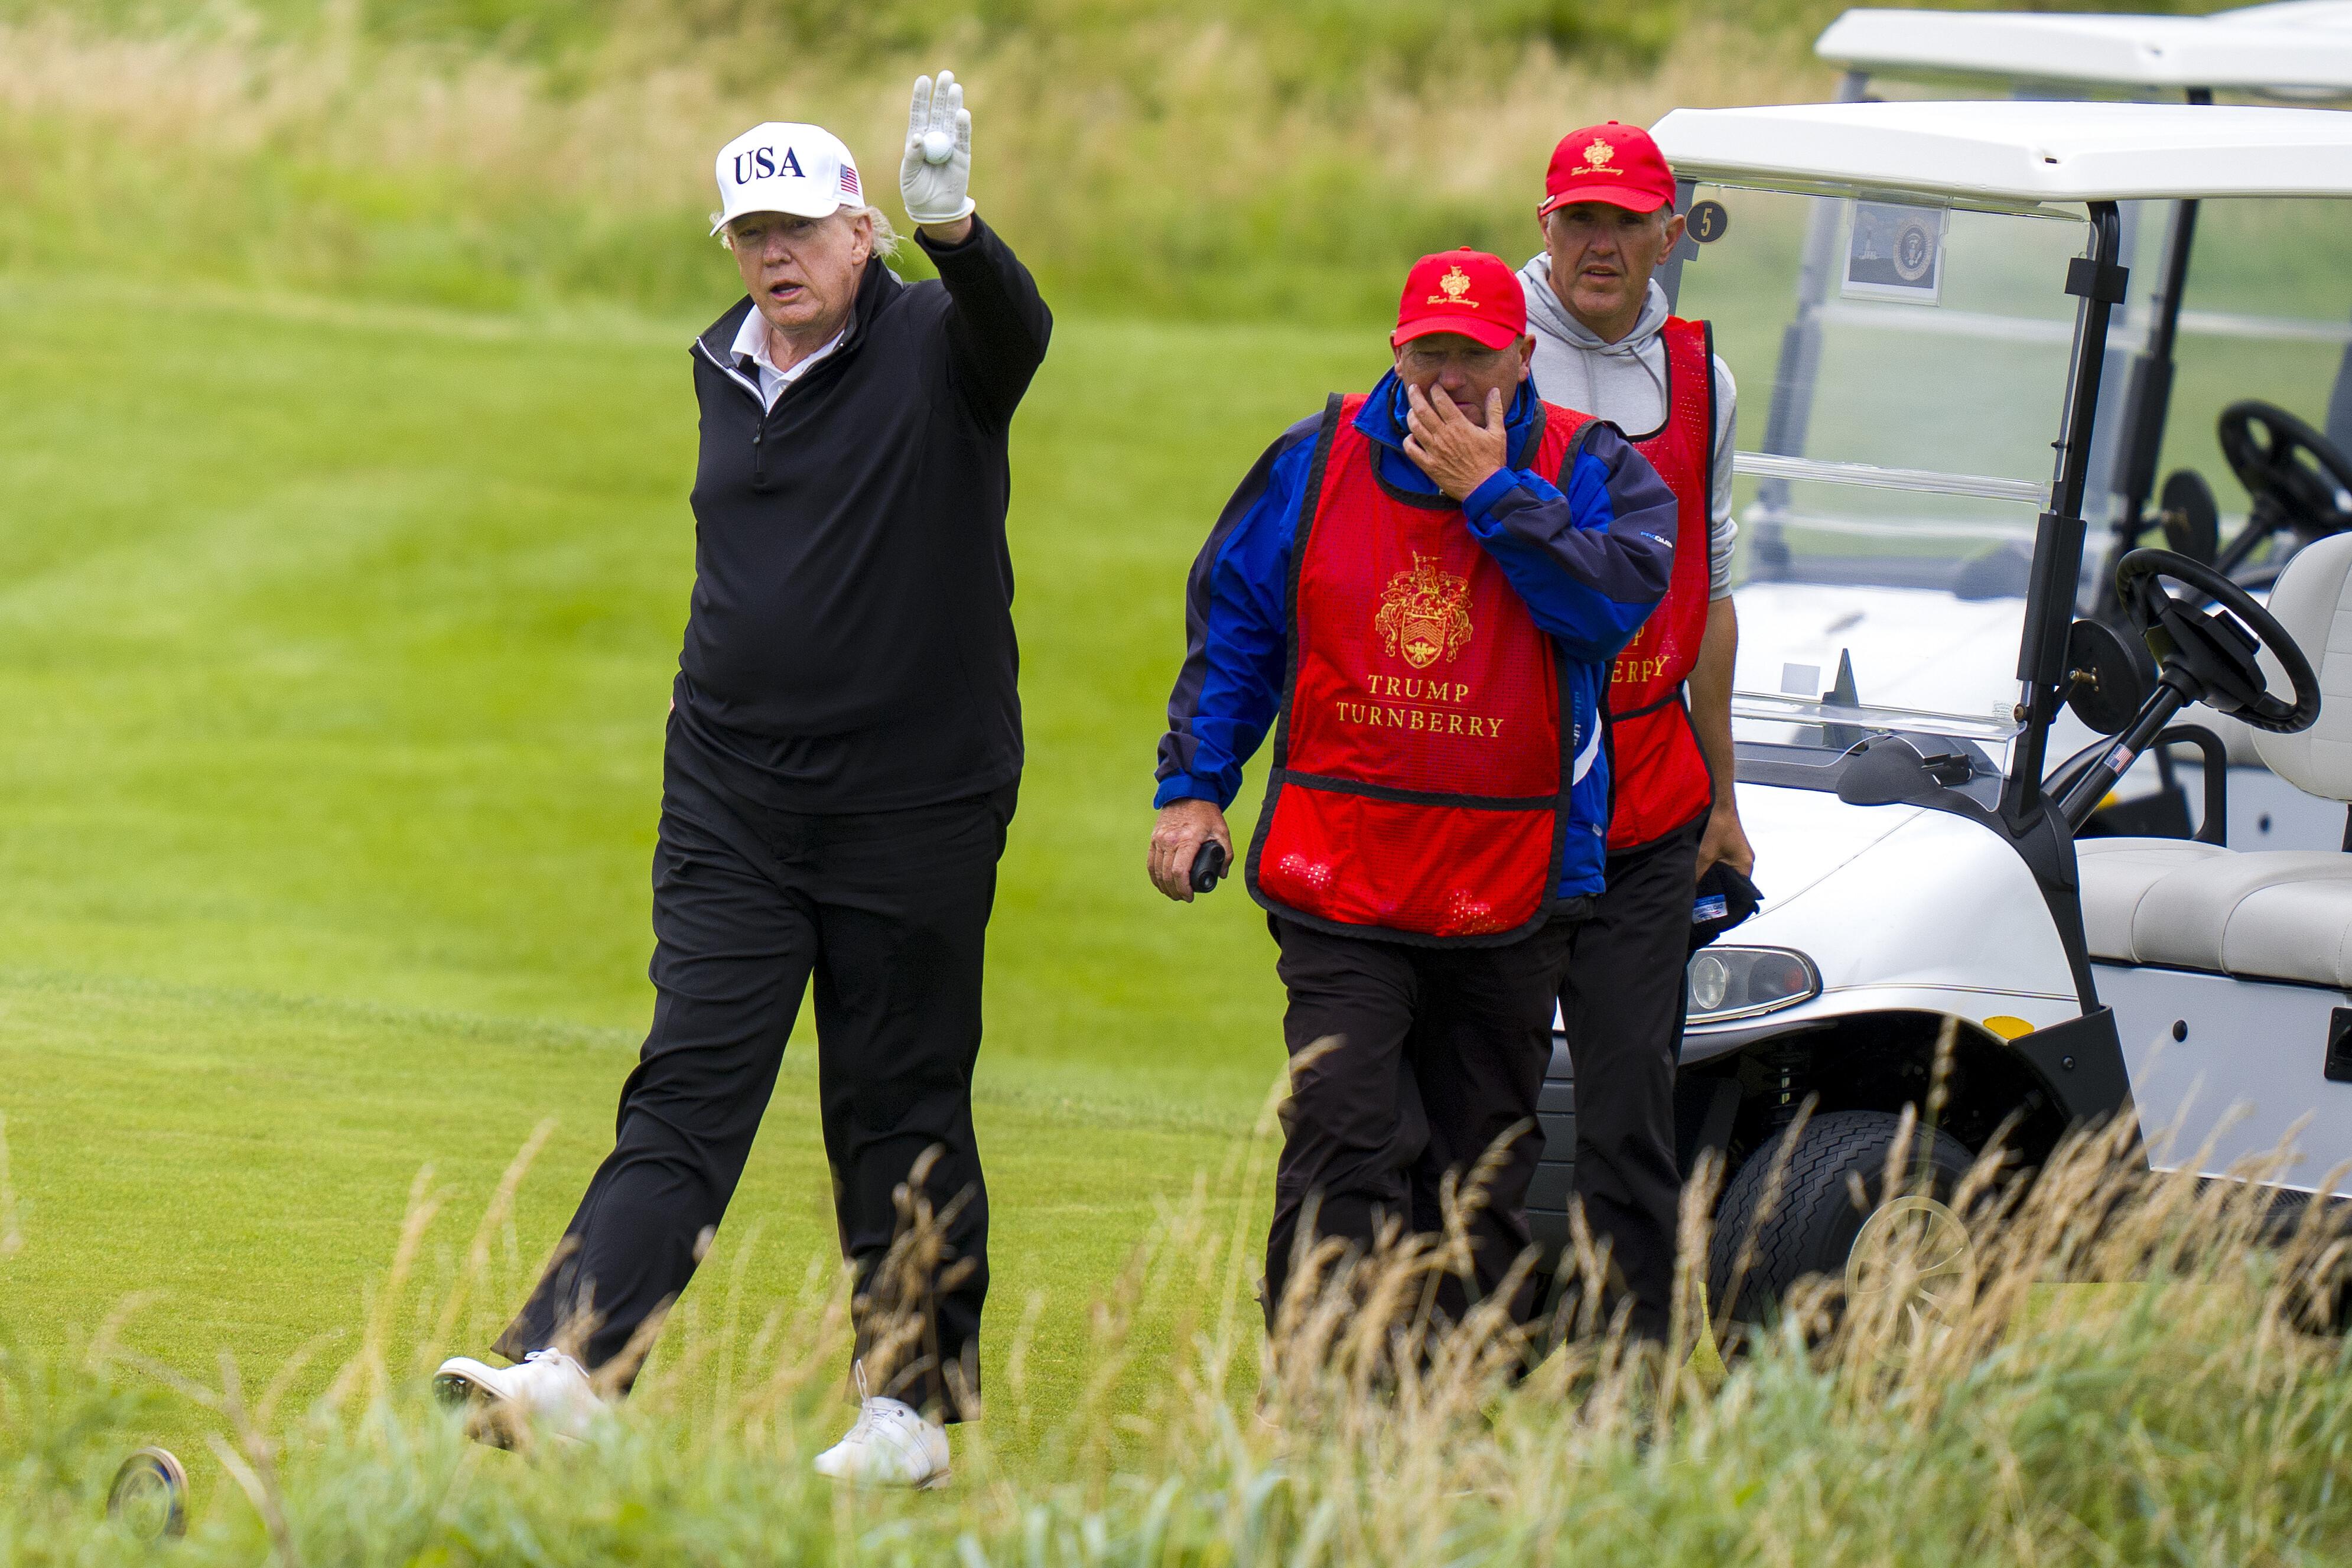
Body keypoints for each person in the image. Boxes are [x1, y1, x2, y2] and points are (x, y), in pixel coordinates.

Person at [431, 72, 1050, 1490]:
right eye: (749, 234)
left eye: (798, 230)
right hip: (733, 791)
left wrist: (957, 229)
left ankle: (906, 1413)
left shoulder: (937, 343)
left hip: (913, 801)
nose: (774, 257)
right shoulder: (723, 360)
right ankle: (572, 1365)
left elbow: (1018, 332)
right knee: (687, 1083)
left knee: (895, 1100)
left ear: (858, 232)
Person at [1148, 249, 1677, 1340]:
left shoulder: (1593, 466)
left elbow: (1604, 610)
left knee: (1478, 1163)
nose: (1447, 381)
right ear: (1395, 353)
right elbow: (1237, 631)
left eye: (1472, 359)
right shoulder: (1313, 459)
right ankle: (1324, 1386)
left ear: (1522, 357)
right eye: (1428, 354)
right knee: (1343, 1133)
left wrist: (1491, 494)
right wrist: (1195, 788)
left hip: (1511, 878)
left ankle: (1446, 1392)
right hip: (1340, 867)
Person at [1517, 121, 1752, 1342]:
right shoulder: (1482, 349)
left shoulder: (1704, 379)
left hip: (1650, 790)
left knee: (1628, 1102)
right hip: (1505, 782)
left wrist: (1725, 794)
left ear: (1669, 234)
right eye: (1578, 220)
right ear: (1543, 227)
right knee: (1479, 1101)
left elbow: (1707, 592)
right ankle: (1456, 1358)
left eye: (1623, 222)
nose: (1598, 245)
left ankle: (1630, 1382)